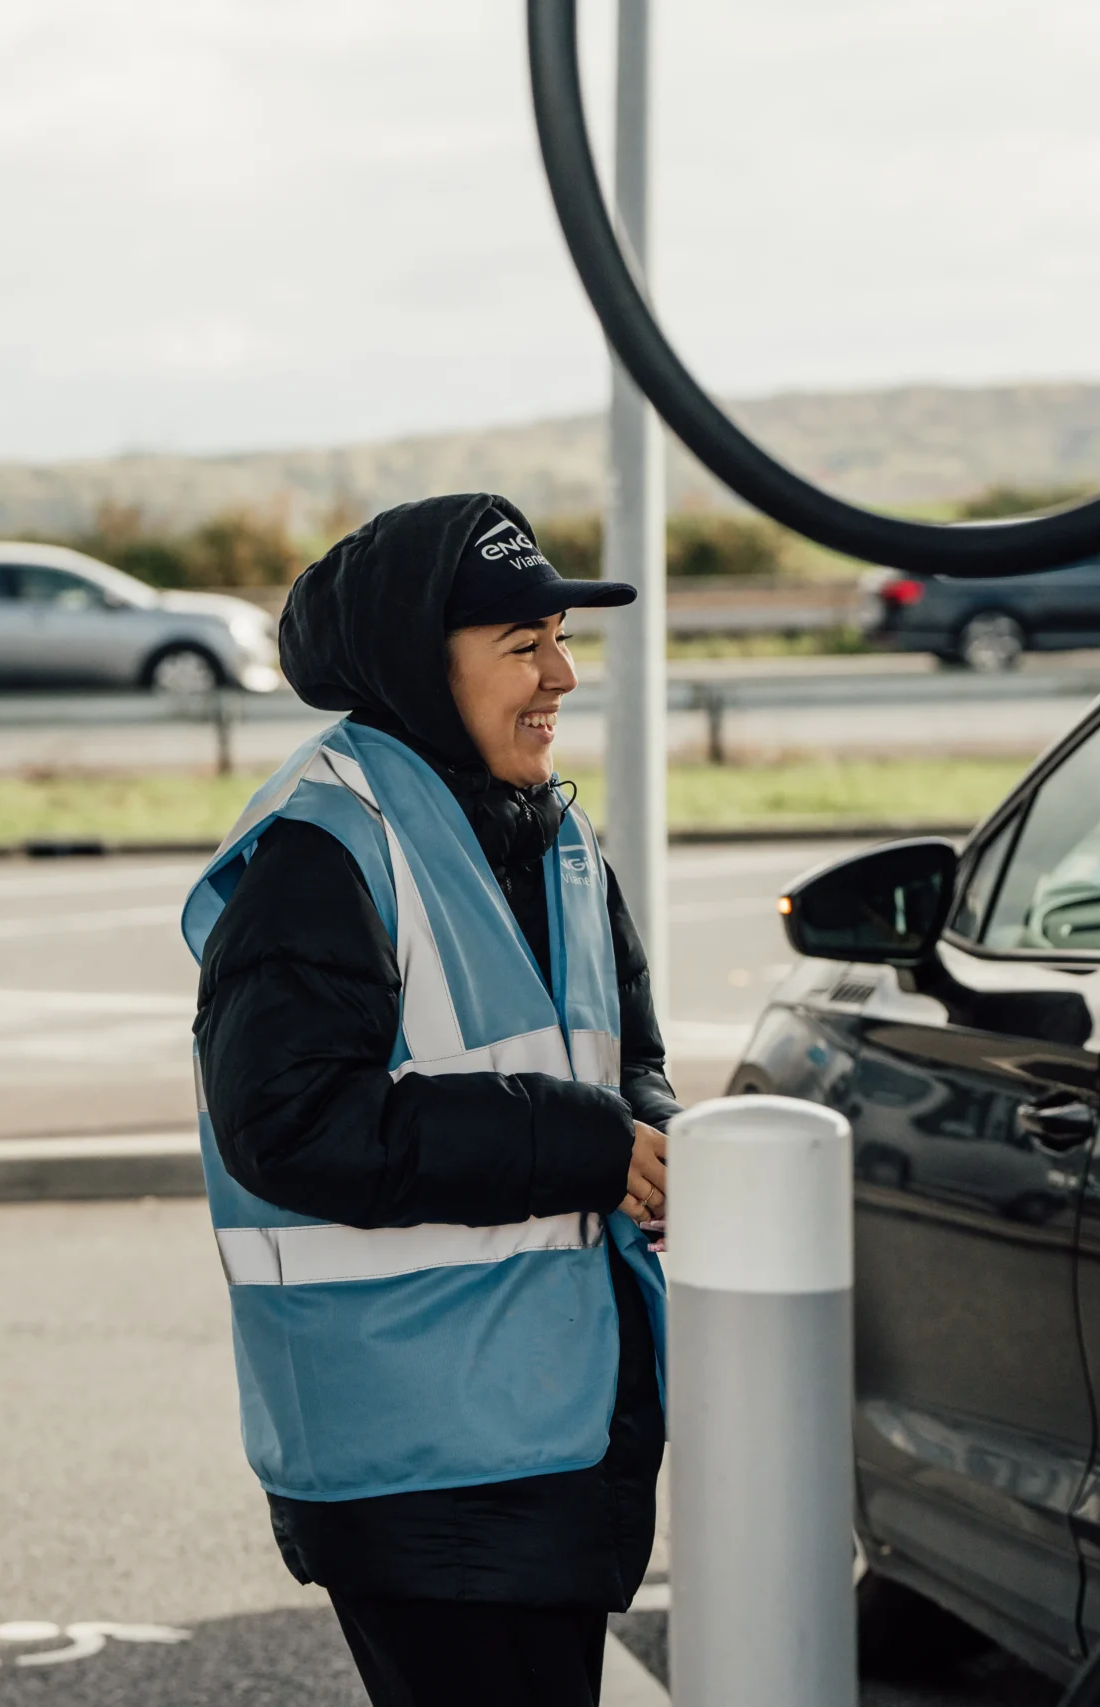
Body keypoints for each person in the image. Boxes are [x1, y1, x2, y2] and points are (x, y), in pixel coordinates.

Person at [181, 494, 677, 1707]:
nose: (561, 674)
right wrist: (585, 1144)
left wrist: (653, 1141)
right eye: (522, 646)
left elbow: (628, 1062)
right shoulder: (326, 847)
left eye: (561, 639)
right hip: (416, 1455)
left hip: (553, 1426)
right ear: (420, 664)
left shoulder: (553, 835)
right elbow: (291, 1127)